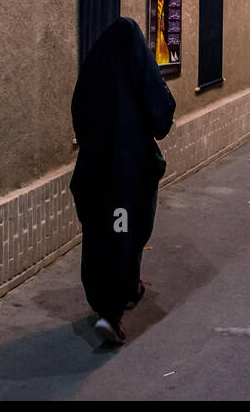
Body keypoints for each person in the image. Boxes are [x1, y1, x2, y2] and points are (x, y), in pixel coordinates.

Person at [70, 17, 176, 345]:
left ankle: (120, 294)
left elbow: (79, 115)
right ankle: (110, 313)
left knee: (100, 236)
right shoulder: (137, 71)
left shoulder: (94, 71)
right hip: (131, 170)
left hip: (93, 172)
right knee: (128, 234)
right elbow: (162, 114)